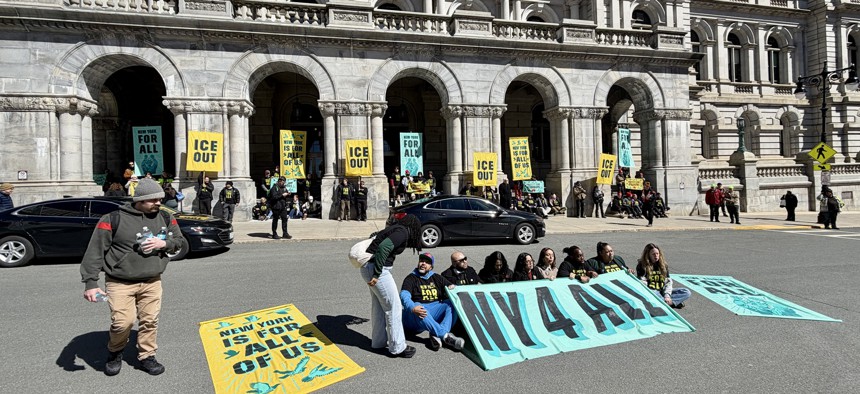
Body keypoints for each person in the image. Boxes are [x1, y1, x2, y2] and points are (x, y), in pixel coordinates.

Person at [80, 178, 183, 376]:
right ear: (140, 200)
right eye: (153, 200)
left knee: (150, 320)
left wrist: (164, 245)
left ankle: (147, 356)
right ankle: (115, 351)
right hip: (120, 282)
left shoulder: (166, 217)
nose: (158, 203)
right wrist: (90, 283)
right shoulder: (112, 219)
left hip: (152, 280)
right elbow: (95, 252)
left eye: (160, 199)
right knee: (123, 322)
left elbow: (178, 240)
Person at [362, 214, 423, 358]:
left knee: (379, 307)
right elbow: (383, 248)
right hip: (378, 271)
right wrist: (377, 274)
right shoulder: (402, 232)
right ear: (413, 228)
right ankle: (398, 347)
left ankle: (378, 343)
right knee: (393, 307)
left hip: (368, 267)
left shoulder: (396, 228)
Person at [400, 253, 465, 351]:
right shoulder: (411, 278)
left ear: (431, 267)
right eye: (421, 261)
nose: (423, 264)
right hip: (414, 317)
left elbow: (452, 288)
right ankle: (445, 336)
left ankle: (436, 334)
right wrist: (412, 307)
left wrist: (453, 288)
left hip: (432, 311)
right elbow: (404, 296)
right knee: (418, 305)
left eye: (427, 262)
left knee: (451, 303)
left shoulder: (436, 277)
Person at [636, 243, 691, 309]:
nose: (656, 256)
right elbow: (643, 284)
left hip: (662, 291)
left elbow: (668, 282)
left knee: (686, 292)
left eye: (657, 254)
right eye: (653, 254)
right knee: (654, 294)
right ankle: (673, 303)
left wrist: (667, 295)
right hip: (652, 292)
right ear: (648, 255)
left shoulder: (663, 265)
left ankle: (669, 303)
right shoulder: (642, 266)